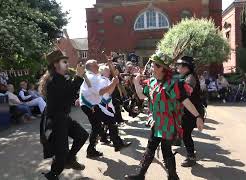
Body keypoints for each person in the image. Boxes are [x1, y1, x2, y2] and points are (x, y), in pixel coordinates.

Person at [125, 51, 204, 180]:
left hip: (168, 123)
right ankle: (141, 175)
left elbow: (186, 101)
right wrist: (136, 83)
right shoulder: (152, 82)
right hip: (156, 122)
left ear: (163, 68)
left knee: (166, 149)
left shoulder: (174, 84)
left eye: (155, 65)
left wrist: (198, 116)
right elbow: (141, 96)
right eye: (152, 65)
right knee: (150, 148)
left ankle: (172, 176)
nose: (151, 67)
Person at [39, 50, 89, 180]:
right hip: (56, 119)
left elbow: (68, 94)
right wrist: (78, 77)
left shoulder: (61, 78)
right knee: (61, 152)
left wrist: (77, 81)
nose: (67, 64)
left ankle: (69, 159)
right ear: (56, 64)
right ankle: (53, 174)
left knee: (82, 135)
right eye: (64, 62)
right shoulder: (52, 80)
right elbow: (67, 95)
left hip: (63, 117)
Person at [79, 60, 131, 158]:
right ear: (91, 67)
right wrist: (113, 83)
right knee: (107, 122)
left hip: (91, 105)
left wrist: (113, 83)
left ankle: (93, 149)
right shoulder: (92, 77)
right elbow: (101, 92)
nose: (98, 66)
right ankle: (115, 143)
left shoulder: (93, 77)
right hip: (91, 106)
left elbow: (108, 93)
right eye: (96, 65)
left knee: (99, 126)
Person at [175, 56, 205, 167]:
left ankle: (191, 156)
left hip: (192, 111)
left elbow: (187, 91)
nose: (177, 67)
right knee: (184, 131)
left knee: (186, 134)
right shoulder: (185, 76)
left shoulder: (190, 78)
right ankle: (177, 140)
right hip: (188, 111)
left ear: (186, 67)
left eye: (179, 65)